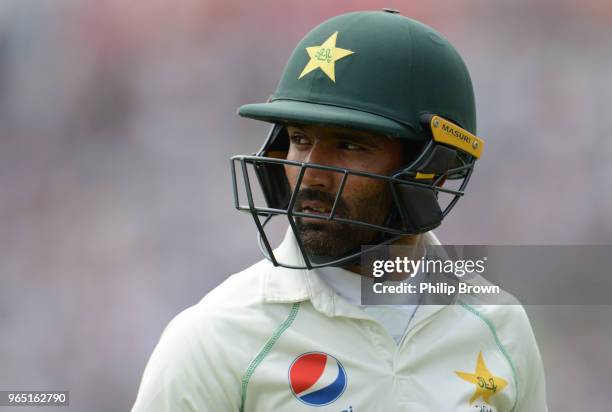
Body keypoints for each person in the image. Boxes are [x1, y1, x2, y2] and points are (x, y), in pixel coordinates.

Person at [132, 10, 548, 411]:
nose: (311, 173)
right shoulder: (214, 337)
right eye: (298, 138)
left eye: (349, 145)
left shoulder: (499, 327)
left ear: (433, 169)